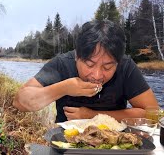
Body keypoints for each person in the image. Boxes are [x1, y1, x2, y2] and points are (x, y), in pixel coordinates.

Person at [13, 20, 159, 122]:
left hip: (114, 144)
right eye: (89, 64)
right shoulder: (62, 64)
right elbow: (20, 102)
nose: (97, 75)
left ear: (117, 62)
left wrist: (92, 115)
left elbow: (153, 114)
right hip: (66, 146)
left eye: (107, 67)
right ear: (77, 56)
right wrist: (64, 88)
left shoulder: (126, 67)